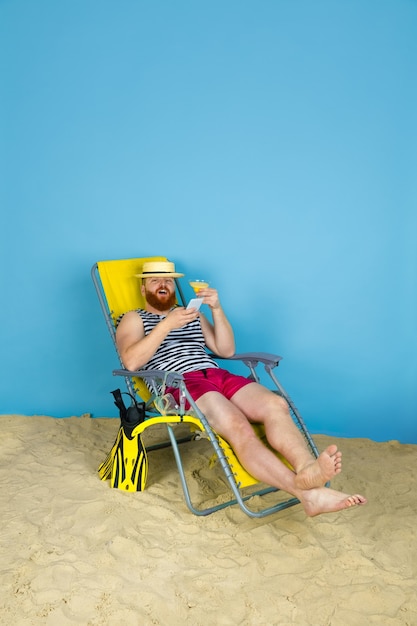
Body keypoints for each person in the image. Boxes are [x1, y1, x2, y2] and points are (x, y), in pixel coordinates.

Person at [116, 260, 367, 517]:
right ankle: (305, 494)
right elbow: (132, 362)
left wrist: (216, 309)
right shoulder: (135, 318)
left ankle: (307, 469)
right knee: (237, 425)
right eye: (156, 280)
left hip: (217, 375)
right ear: (143, 286)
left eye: (168, 280)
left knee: (276, 404)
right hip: (180, 383)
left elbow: (226, 350)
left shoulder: (192, 314)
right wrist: (166, 325)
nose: (163, 284)